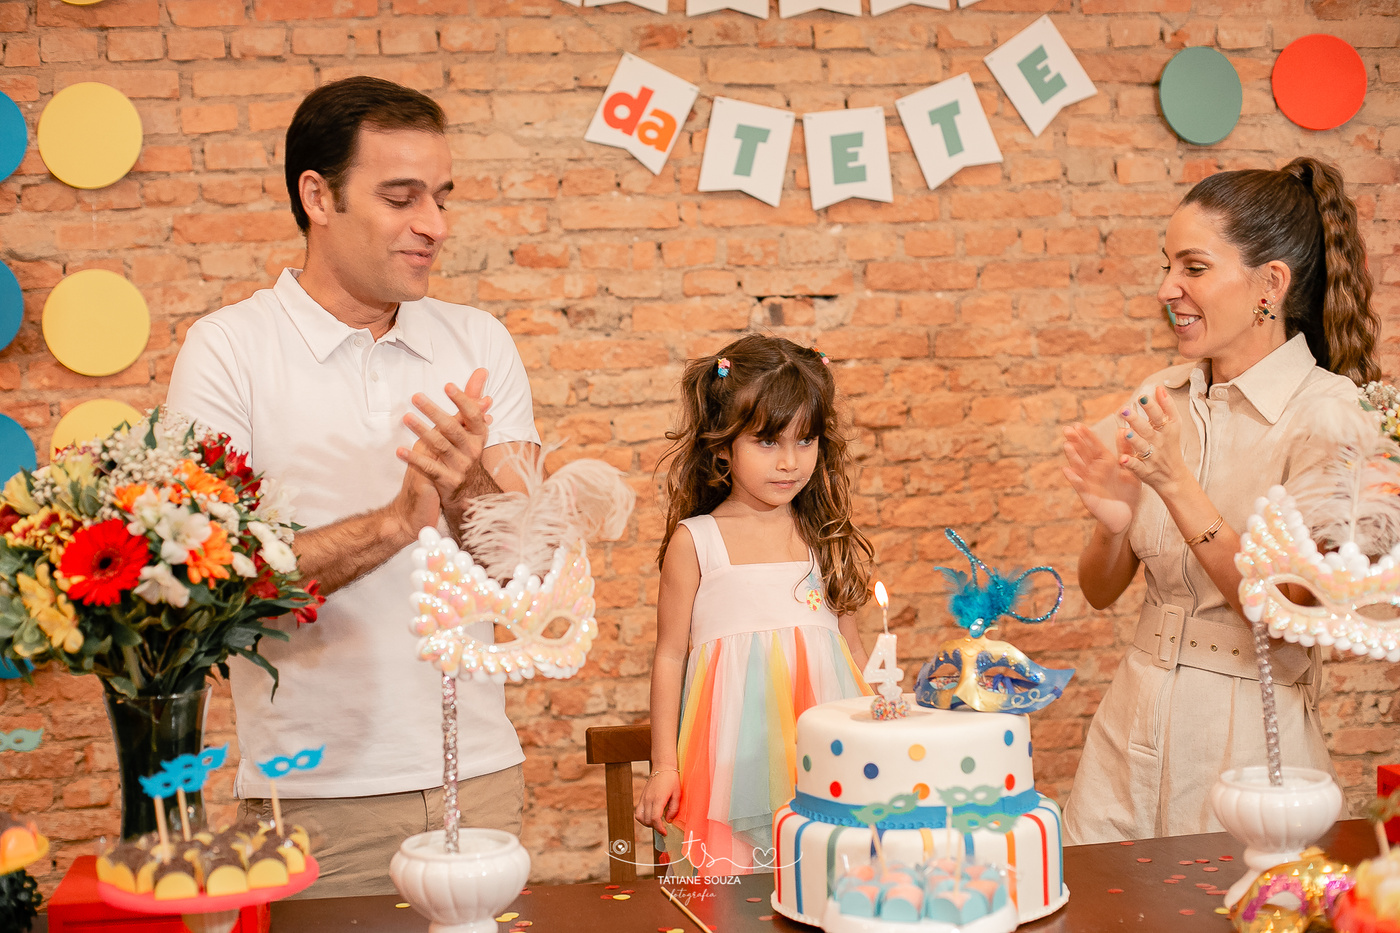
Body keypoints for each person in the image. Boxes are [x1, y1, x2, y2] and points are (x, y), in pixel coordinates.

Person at [165, 77, 541, 895]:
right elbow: (211, 593)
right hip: (311, 800)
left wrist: (465, 487)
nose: (434, 224)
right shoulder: (228, 351)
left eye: (441, 196)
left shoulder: (479, 341)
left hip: (476, 779)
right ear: (317, 197)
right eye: (401, 197)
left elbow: (527, 576)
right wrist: (396, 521)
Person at [1059, 157, 1381, 843]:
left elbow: (1290, 615)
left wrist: (1176, 485)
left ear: (1270, 284)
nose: (1166, 288)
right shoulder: (1160, 396)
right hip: (1128, 727)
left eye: (1194, 267)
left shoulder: (1332, 416)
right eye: (1167, 265)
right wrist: (1112, 528)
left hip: (1250, 739)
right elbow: (1098, 591)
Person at [634, 335, 874, 876]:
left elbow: (853, 651)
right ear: (722, 445)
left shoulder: (825, 538)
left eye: (805, 440)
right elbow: (669, 656)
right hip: (729, 765)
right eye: (767, 441)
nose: (790, 462)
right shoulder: (697, 542)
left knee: (829, 883)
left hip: (829, 757)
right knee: (736, 895)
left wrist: (885, 720)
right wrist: (664, 766)